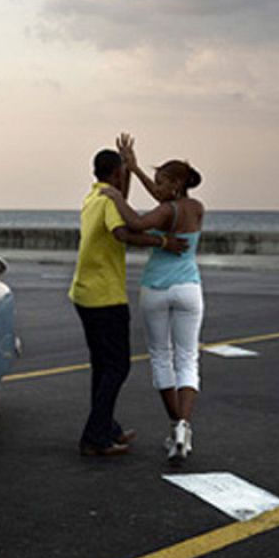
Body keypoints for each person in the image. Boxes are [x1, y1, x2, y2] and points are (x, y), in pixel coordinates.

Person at [68, 145, 188, 457]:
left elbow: (122, 204)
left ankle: (106, 427)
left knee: (102, 366)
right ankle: (96, 436)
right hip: (104, 296)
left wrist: (129, 169)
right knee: (117, 367)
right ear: (118, 174)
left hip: (84, 293)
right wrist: (162, 241)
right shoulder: (109, 201)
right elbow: (124, 232)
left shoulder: (94, 196)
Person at [99, 135, 205, 465]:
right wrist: (134, 168)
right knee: (188, 359)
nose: (155, 187)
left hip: (156, 290)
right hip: (189, 288)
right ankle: (183, 427)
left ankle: (176, 425)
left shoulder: (165, 211)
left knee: (161, 357)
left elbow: (135, 223)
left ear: (175, 185)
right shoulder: (196, 208)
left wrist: (116, 195)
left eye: (161, 182)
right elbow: (163, 201)